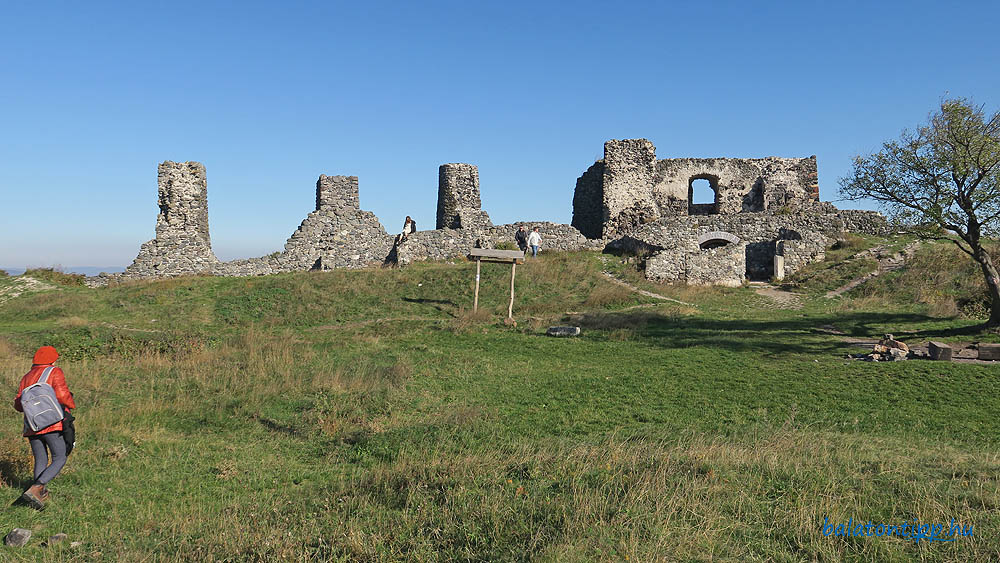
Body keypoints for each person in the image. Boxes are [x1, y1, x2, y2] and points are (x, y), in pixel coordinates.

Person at [14, 346, 75, 510]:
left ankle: (38, 494)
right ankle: (36, 488)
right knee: (60, 457)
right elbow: (62, 396)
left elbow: (18, 405)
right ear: (52, 359)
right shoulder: (54, 371)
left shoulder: (26, 377)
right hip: (52, 422)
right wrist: (71, 404)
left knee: (41, 459)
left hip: (32, 425)